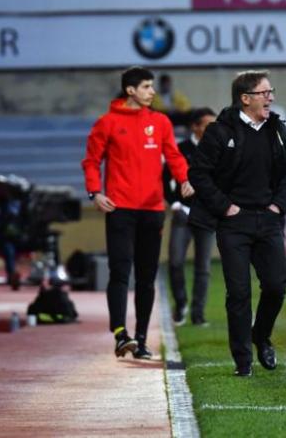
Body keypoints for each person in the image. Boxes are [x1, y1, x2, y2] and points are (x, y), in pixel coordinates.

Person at [82, 66, 192, 360]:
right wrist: (95, 192)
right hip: (120, 209)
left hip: (153, 210)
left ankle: (141, 340)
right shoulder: (107, 123)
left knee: (147, 277)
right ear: (130, 90)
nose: (152, 92)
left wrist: (184, 180)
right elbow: (91, 161)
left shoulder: (160, 122)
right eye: (146, 86)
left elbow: (174, 156)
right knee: (120, 271)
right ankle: (120, 334)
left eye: (152, 86)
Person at [188, 70, 286, 377]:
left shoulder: (276, 129)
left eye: (271, 92)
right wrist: (225, 206)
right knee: (238, 293)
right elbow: (199, 174)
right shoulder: (220, 132)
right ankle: (243, 361)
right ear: (245, 99)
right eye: (264, 93)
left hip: (269, 218)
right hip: (234, 222)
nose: (270, 97)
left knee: (276, 285)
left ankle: (260, 335)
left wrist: (278, 205)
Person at [163, 108, 217, 326]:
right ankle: (181, 303)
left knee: (203, 267)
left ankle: (198, 313)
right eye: (208, 125)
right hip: (183, 213)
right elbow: (164, 177)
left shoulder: (218, 150)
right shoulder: (180, 149)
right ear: (195, 126)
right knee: (175, 262)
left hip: (207, 214)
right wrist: (174, 203)